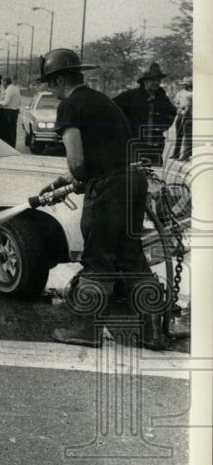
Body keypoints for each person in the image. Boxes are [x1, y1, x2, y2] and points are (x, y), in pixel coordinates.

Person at [37, 48, 167, 350]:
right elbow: (104, 153)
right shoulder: (100, 100)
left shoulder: (69, 106)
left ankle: (86, 330)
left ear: (59, 79)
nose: (49, 90)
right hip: (132, 181)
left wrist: (78, 177)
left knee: (98, 259)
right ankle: (153, 332)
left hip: (108, 189)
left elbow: (79, 163)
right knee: (131, 257)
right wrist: (64, 181)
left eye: (49, 83)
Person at [112, 63, 177, 165]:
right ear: (144, 81)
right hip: (135, 144)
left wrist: (161, 126)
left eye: (158, 80)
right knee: (136, 174)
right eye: (153, 80)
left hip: (156, 145)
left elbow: (171, 112)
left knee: (155, 175)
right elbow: (112, 108)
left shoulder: (161, 97)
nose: (156, 82)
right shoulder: (131, 96)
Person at [0, 77, 22, 147]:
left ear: (5, 82)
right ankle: (13, 146)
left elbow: (6, 103)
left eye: (3, 83)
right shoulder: (16, 88)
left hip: (8, 113)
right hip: (15, 112)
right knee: (13, 131)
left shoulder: (8, 90)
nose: (2, 85)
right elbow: (20, 102)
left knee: (7, 132)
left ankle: (8, 147)